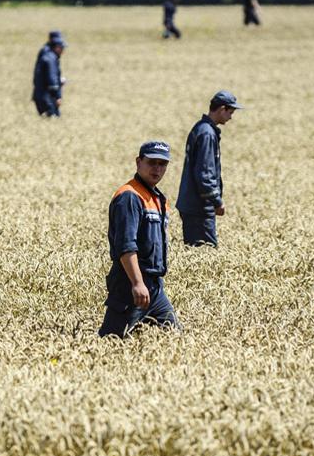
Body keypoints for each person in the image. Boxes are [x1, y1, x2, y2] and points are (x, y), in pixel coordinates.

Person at [99, 141, 180, 338]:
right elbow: (126, 246)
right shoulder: (129, 196)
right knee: (112, 339)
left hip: (155, 286)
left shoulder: (156, 198)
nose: (157, 169)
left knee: (173, 336)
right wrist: (137, 283)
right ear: (138, 162)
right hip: (130, 283)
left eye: (162, 164)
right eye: (152, 162)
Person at [176, 90, 243, 247]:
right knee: (205, 251)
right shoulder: (207, 133)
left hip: (192, 204)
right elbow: (205, 174)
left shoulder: (201, 128)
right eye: (230, 112)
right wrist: (217, 201)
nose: (231, 117)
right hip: (199, 206)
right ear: (221, 109)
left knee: (197, 252)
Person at [32, 33, 67, 117]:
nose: (63, 50)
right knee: (53, 119)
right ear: (57, 47)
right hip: (47, 97)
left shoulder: (45, 53)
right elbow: (52, 79)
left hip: (40, 95)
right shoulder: (50, 58)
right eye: (62, 47)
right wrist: (57, 96)